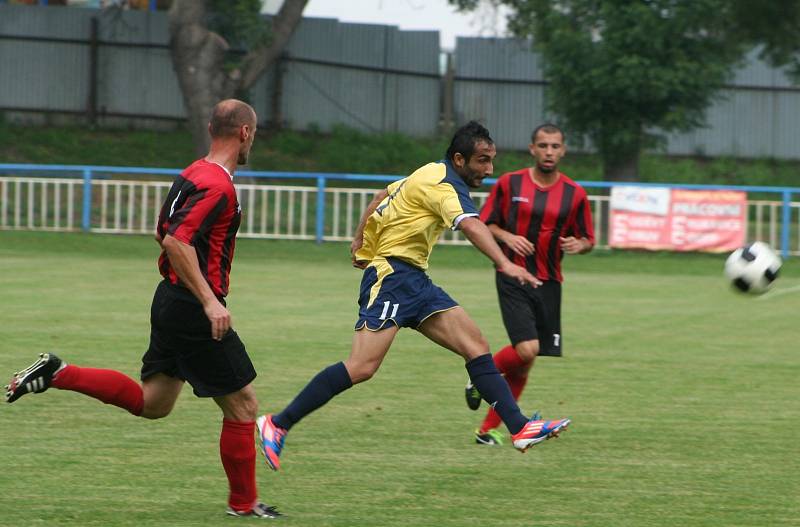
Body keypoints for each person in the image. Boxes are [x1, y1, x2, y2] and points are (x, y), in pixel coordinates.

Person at [4, 99, 281, 519]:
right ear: (245, 133)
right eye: (253, 135)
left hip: (170, 298)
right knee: (243, 404)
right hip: (192, 308)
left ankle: (59, 373)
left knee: (154, 403)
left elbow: (161, 232)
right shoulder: (218, 186)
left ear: (210, 128)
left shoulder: (191, 172)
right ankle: (244, 505)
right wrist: (208, 301)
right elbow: (174, 240)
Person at [254, 121, 571, 472]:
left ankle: (519, 427)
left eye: (491, 160)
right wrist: (504, 263)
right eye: (482, 161)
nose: (489, 169)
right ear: (459, 159)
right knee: (361, 367)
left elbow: (380, 197)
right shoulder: (446, 186)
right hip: (392, 278)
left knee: (476, 346)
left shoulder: (429, 171)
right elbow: (470, 225)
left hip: (414, 280)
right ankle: (278, 423)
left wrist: (360, 241)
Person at [465, 123, 594, 446]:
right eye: (543, 145)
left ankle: (487, 431)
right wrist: (509, 237)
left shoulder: (574, 193)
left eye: (555, 146)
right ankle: (478, 377)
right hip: (513, 275)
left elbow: (589, 238)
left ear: (562, 151)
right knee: (527, 349)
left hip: (550, 281)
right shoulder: (510, 184)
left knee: (525, 363)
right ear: (532, 149)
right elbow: (485, 223)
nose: (549, 151)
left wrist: (581, 245)